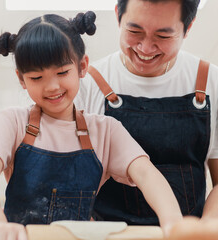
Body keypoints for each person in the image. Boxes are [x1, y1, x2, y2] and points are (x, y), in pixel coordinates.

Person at [0, 11, 182, 240]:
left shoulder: (106, 130)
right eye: (36, 78)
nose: (52, 86)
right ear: (21, 79)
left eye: (62, 72)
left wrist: (173, 223)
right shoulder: (13, 122)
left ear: (82, 67)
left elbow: (147, 175)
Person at [75, 0, 218, 226]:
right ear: (118, 17)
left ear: (187, 28)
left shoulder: (211, 81)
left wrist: (208, 225)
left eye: (162, 36)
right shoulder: (85, 85)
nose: (145, 48)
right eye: (134, 31)